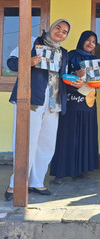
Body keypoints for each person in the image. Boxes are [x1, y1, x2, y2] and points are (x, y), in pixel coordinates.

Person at [5, 19, 80, 201]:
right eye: (58, 28)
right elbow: (11, 62)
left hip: (53, 103)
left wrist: (75, 82)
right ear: (51, 27)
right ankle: (16, 184)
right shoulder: (32, 42)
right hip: (31, 100)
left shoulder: (63, 53)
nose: (60, 33)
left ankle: (36, 181)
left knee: (46, 145)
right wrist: (28, 62)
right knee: (25, 143)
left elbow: (63, 79)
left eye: (64, 32)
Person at [49, 30, 100, 182]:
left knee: (85, 136)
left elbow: (97, 82)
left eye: (94, 41)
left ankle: (82, 169)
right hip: (71, 102)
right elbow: (61, 75)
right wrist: (75, 74)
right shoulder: (70, 56)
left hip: (88, 103)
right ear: (82, 40)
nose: (91, 44)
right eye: (88, 40)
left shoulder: (96, 60)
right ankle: (61, 172)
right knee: (67, 137)